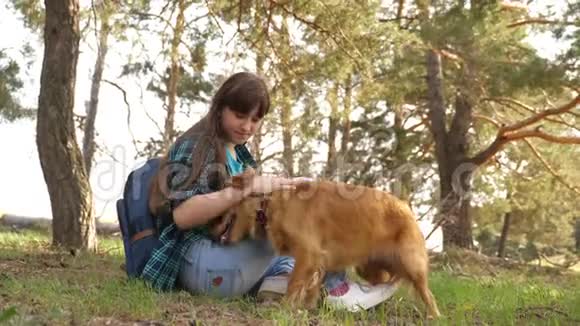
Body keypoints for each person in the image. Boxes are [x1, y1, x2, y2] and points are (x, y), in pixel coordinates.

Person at [143, 72, 397, 312]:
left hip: (221, 258)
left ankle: (276, 287)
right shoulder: (198, 145)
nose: (247, 126)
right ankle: (337, 292)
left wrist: (286, 187)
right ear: (220, 108)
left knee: (295, 231)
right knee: (306, 226)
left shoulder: (238, 152)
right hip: (199, 265)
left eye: (255, 119)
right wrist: (247, 189)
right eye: (240, 115)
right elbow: (182, 216)